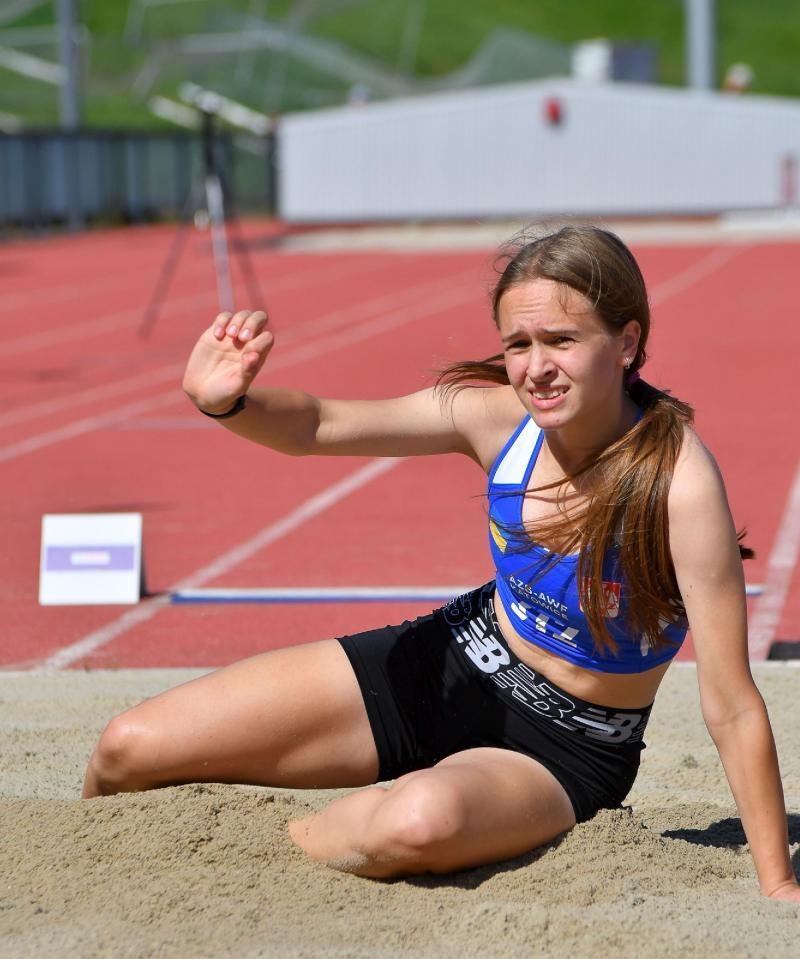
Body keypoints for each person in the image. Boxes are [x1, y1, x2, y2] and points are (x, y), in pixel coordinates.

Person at [83, 225, 799, 901]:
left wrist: (778, 884)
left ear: (626, 341)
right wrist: (230, 404)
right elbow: (319, 424)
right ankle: (87, 866)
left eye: (562, 340)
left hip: (562, 747)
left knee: (414, 823)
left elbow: (732, 703)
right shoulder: (495, 420)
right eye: (518, 344)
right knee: (127, 749)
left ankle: (237, 853)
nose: (536, 367)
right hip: (449, 664)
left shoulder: (680, 484)